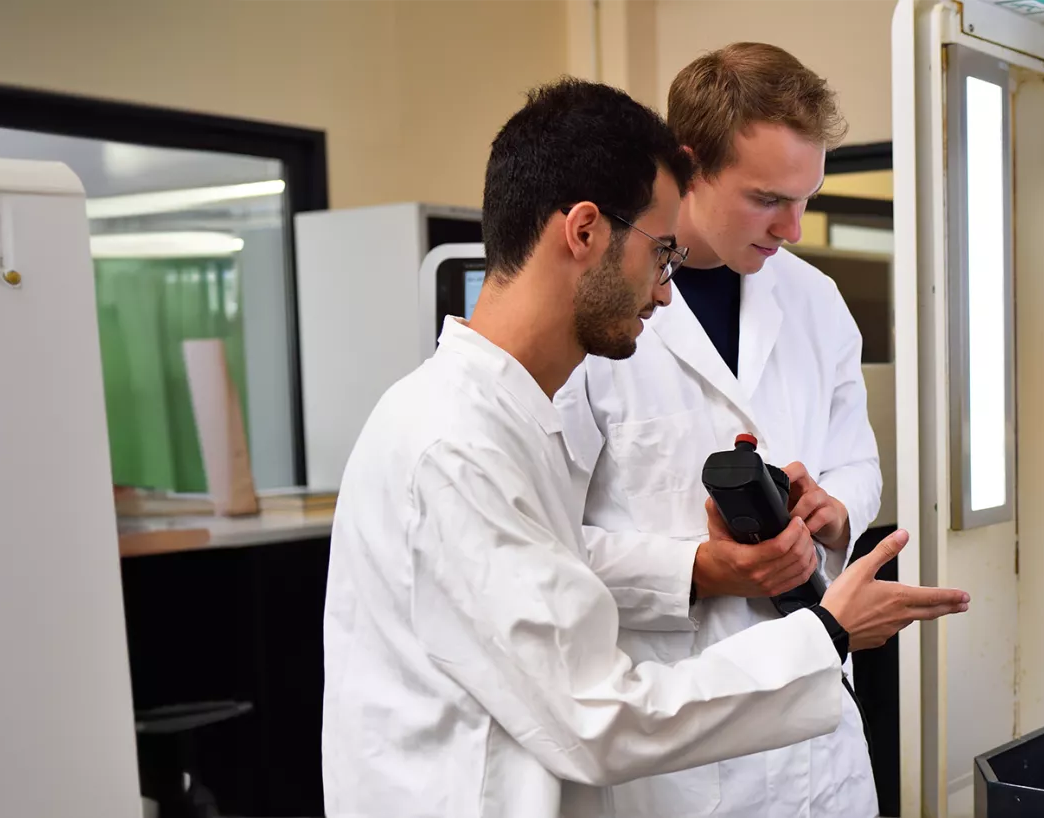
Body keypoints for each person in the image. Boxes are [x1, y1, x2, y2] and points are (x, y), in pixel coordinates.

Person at [318, 78, 969, 818]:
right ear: (585, 232)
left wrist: (828, 538)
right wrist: (823, 629)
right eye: (662, 254)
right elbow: (598, 714)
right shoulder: (453, 447)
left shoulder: (507, 423)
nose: (665, 293)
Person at [553, 43, 886, 818]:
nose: (796, 229)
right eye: (769, 198)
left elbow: (857, 461)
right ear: (689, 164)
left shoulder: (815, 300)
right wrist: (700, 569)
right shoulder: (601, 312)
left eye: (807, 197)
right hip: (677, 755)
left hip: (816, 732)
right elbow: (546, 545)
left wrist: (833, 510)